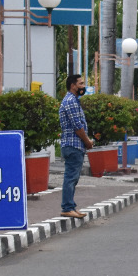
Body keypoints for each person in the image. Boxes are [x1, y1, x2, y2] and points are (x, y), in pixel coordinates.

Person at [58, 73, 93, 219]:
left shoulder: (73, 100)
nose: (83, 87)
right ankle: (67, 207)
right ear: (73, 86)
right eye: (81, 84)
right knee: (71, 177)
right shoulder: (71, 101)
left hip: (74, 145)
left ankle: (70, 206)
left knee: (73, 177)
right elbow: (77, 126)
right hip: (73, 145)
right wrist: (87, 141)